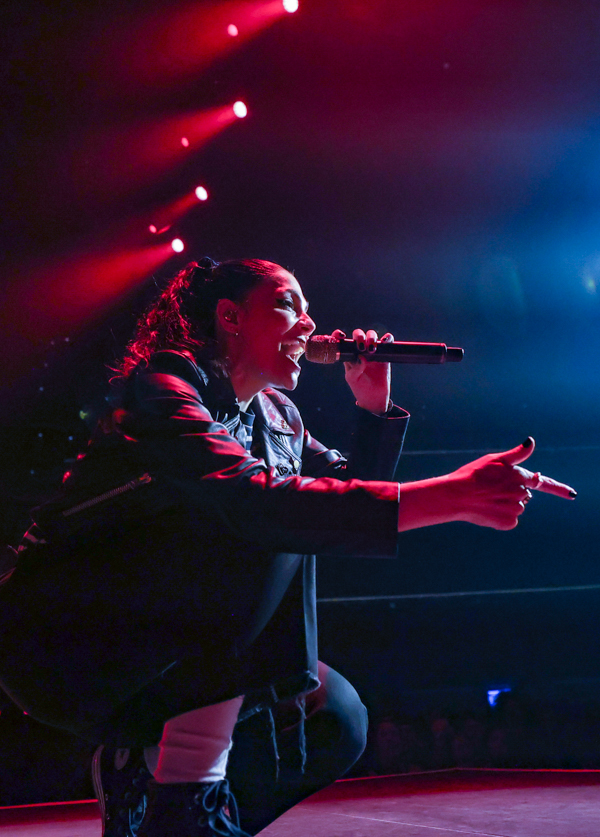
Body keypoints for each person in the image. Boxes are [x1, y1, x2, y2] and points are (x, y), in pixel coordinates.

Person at [0, 257, 575, 837]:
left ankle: (167, 807)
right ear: (230, 317)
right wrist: (453, 495)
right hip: (66, 637)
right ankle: (188, 797)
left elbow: (338, 509)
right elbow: (262, 504)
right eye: (287, 304)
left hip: (172, 640)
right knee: (265, 519)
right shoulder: (160, 391)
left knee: (335, 717)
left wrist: (372, 408)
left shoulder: (278, 415)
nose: (309, 323)